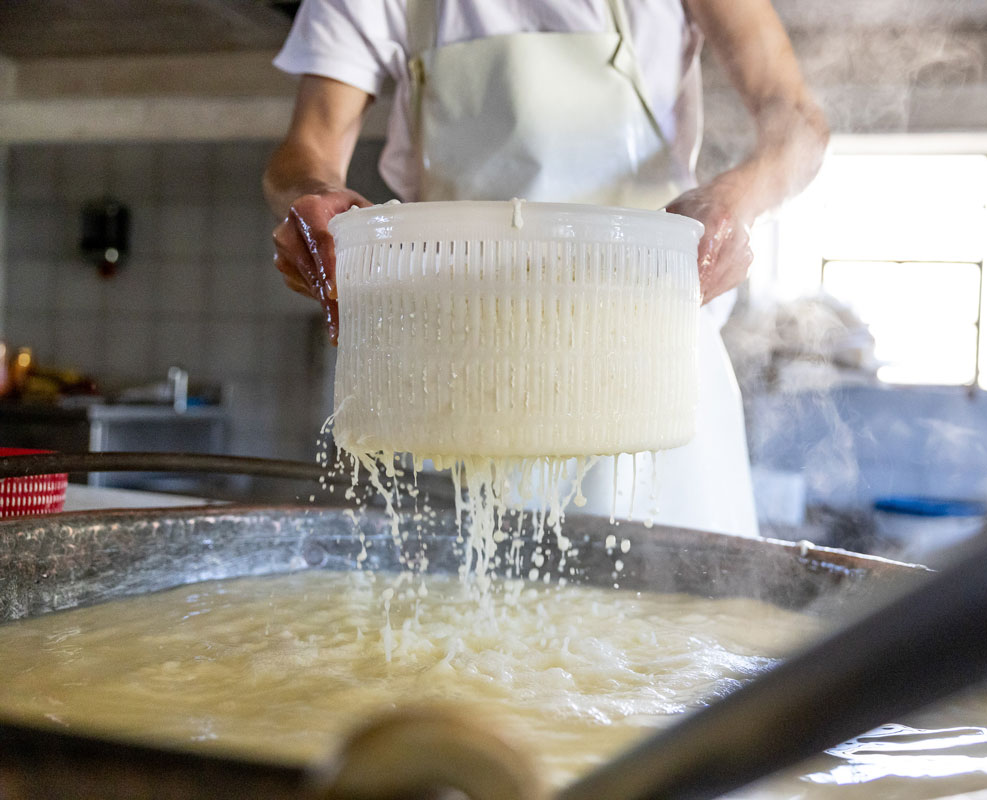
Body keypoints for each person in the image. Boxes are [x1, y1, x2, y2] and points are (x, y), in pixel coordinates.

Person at [264, 0, 828, 538]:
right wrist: (314, 198)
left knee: (685, 623)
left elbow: (798, 124)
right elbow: (308, 147)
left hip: (655, 370)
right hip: (466, 378)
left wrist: (734, 198)